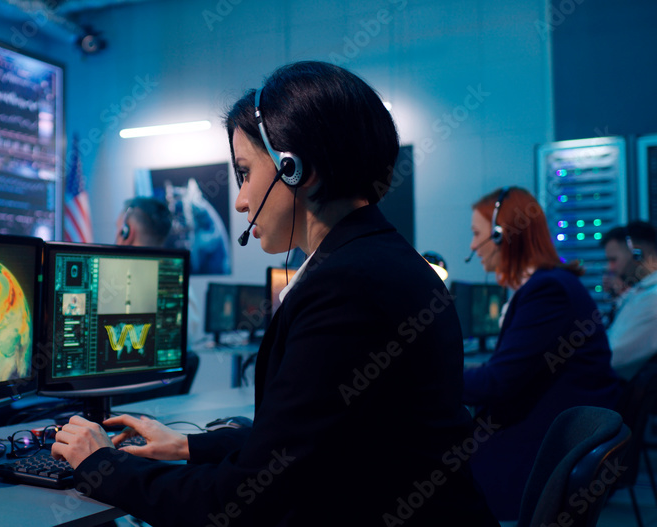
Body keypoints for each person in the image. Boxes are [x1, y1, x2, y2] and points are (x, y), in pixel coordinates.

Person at [51, 61, 498, 526]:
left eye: (244, 173)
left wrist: (100, 464)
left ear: (295, 168)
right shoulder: (381, 262)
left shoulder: (347, 288)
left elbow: (239, 503)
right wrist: (188, 444)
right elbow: (318, 442)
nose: (241, 200)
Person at [462, 186, 623, 520]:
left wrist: (426, 375)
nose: (472, 246)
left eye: (477, 234)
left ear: (502, 234)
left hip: (540, 449)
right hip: (548, 433)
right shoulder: (552, 285)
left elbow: (497, 383)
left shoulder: (547, 292)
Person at [601, 221, 657, 379]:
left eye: (613, 260)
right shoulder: (641, 293)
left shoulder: (652, 300)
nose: (609, 268)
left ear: (637, 255)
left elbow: (611, 357)